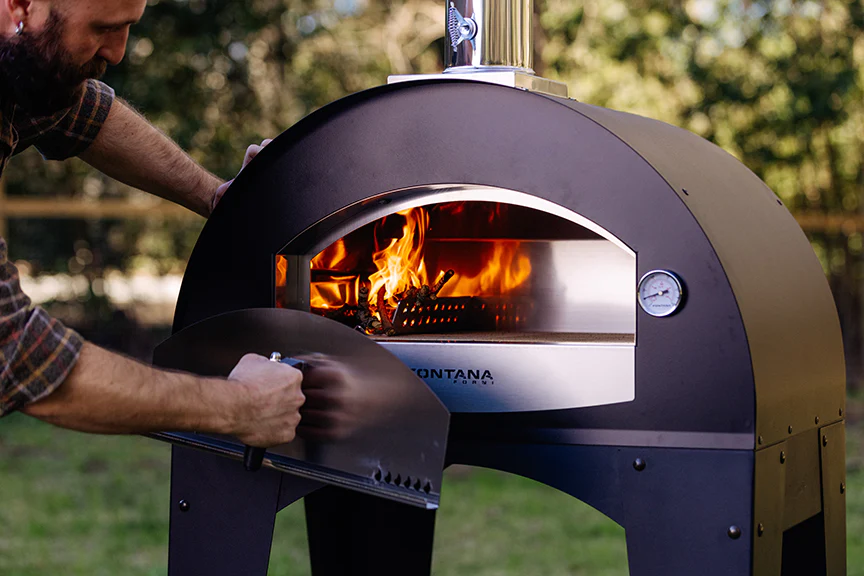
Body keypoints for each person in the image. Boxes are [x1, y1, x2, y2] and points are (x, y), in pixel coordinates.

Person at [0, 0, 305, 449]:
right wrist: (239, 405)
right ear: (20, 5)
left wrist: (220, 199)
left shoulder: (22, 60)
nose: (119, 52)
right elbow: (17, 354)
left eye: (127, 27)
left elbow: (83, 115)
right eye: (104, 27)